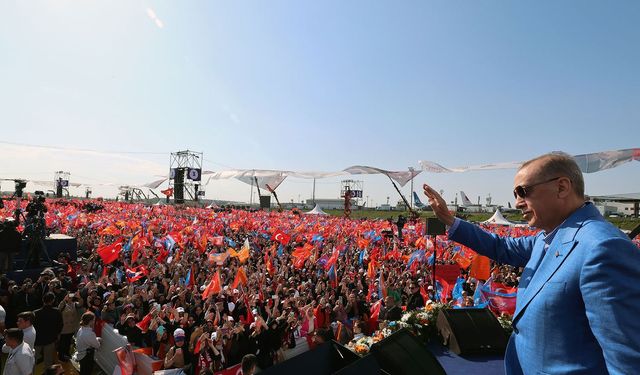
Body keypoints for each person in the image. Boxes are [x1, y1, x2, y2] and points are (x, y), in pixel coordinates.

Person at [423, 152, 640, 375]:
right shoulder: (548, 237)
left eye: (523, 191)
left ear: (562, 187)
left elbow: (628, 361)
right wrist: (450, 220)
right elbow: (501, 247)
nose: (517, 203)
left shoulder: (603, 248)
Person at [33, 292, 63, 368]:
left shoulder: (35, 313)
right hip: (50, 339)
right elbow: (60, 326)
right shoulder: (56, 312)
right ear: (52, 300)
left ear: (43, 300)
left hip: (37, 340)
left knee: (33, 361)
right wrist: (57, 336)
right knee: (48, 362)